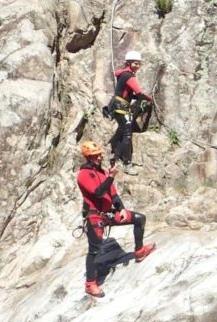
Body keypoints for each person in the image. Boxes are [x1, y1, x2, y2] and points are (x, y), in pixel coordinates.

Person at [77, 141, 156, 297]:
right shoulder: (84, 175)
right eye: (95, 155)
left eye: (99, 154)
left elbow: (113, 195)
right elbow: (98, 192)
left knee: (139, 219)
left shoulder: (104, 173)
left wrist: (121, 209)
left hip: (108, 214)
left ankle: (139, 252)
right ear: (88, 157)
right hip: (94, 216)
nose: (99, 157)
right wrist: (111, 177)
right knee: (94, 250)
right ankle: (90, 284)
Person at [107, 50, 152, 176]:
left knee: (123, 132)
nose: (137, 66)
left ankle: (116, 158)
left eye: (139, 64)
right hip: (121, 106)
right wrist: (148, 99)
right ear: (129, 63)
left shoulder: (123, 75)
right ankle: (127, 164)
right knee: (127, 134)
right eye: (135, 63)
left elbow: (130, 93)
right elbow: (138, 92)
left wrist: (141, 97)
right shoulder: (129, 76)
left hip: (117, 105)